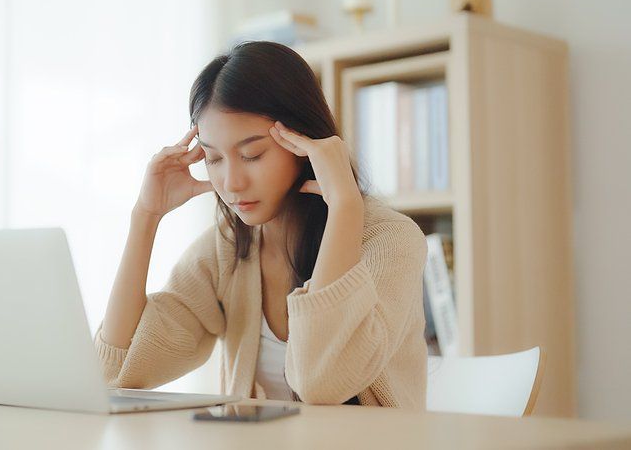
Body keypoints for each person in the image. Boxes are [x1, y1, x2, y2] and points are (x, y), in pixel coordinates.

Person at [94, 41, 428, 408]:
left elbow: (322, 384)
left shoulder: (391, 240)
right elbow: (115, 373)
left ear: (304, 141)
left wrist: (345, 206)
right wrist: (145, 216)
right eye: (213, 158)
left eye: (252, 155)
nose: (232, 183)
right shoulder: (226, 249)